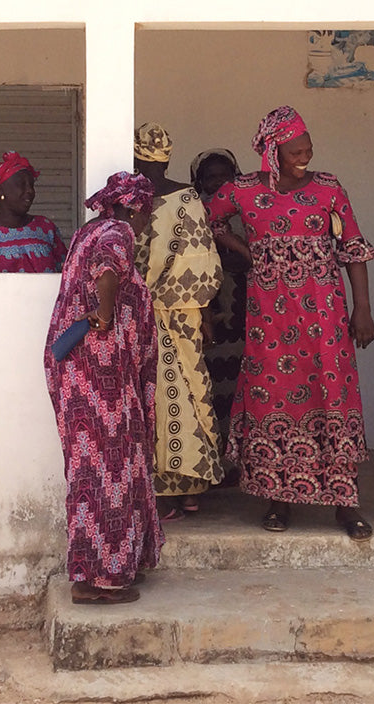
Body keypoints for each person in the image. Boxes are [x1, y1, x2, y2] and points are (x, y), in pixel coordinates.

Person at [207, 105, 374, 540]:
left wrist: (363, 309)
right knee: (274, 398)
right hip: (270, 316)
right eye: (296, 151)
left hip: (326, 313)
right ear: (273, 152)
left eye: (308, 149)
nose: (305, 157)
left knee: (333, 394)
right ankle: (277, 499)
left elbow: (353, 247)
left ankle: (345, 502)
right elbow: (211, 221)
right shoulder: (243, 190)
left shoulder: (329, 189)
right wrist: (248, 252)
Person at [44, 171, 163, 605]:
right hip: (98, 369)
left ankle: (114, 563)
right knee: (108, 468)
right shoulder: (117, 232)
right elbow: (108, 270)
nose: (148, 220)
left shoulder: (88, 231)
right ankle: (102, 580)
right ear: (133, 207)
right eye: (147, 211)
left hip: (81, 367)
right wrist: (105, 313)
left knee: (99, 466)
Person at [133, 123, 224, 521]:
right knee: (186, 391)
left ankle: (161, 489)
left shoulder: (127, 199)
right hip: (182, 314)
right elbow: (203, 262)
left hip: (138, 314)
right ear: (168, 156)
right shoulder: (187, 198)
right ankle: (188, 487)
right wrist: (202, 313)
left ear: (136, 157)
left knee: (150, 396)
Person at [191, 148, 249, 446]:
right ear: (199, 181)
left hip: (243, 305)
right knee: (211, 382)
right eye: (210, 177)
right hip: (207, 306)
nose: (217, 182)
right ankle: (215, 455)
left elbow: (255, 257)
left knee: (242, 383)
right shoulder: (192, 212)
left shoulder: (247, 209)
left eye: (224, 176)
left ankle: (238, 455)